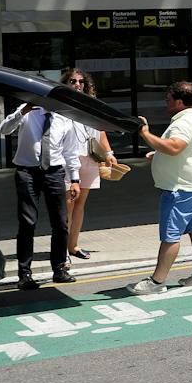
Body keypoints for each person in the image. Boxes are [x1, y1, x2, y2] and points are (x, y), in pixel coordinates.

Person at [127, 82, 192, 295]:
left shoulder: (183, 123)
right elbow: (183, 149)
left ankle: (157, 282)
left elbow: (175, 147)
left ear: (179, 102)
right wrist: (159, 155)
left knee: (171, 235)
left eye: (168, 99)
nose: (166, 103)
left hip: (181, 189)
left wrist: (145, 134)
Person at [0, 92, 83, 288]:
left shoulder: (64, 118)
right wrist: (22, 112)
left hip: (54, 172)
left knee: (60, 222)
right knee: (28, 222)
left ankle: (59, 269)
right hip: (27, 171)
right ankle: (25, 274)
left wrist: (75, 179)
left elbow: (70, 152)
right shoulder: (27, 111)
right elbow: (4, 129)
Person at [61, 68, 117, 261]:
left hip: (91, 158)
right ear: (66, 83)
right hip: (70, 159)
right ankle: (61, 249)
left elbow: (101, 131)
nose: (77, 84)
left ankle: (73, 245)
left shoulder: (92, 103)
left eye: (81, 81)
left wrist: (108, 153)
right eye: (73, 81)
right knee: (68, 204)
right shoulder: (61, 105)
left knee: (80, 204)